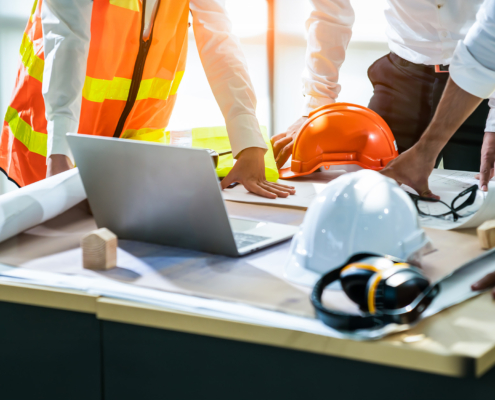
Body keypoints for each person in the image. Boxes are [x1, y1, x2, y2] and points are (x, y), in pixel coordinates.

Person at [0, 0, 295, 200]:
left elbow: (218, 36)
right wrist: (59, 154)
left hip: (128, 158)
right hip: (49, 156)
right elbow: (67, 36)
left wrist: (248, 142)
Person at [271, 0, 493, 179]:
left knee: (483, 196)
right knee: (372, 188)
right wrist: (315, 108)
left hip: (483, 83)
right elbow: (330, 11)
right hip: (403, 80)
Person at [380, 0, 495, 298]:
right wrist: (425, 151)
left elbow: (488, 41)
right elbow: (486, 45)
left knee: (483, 202)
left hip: (480, 84)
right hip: (405, 70)